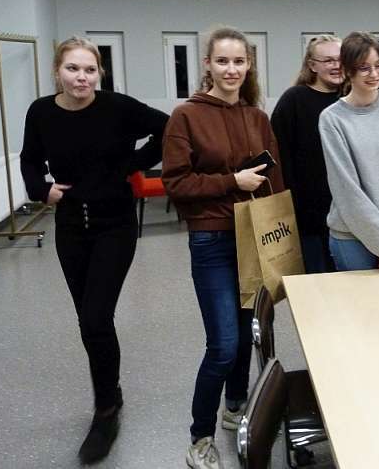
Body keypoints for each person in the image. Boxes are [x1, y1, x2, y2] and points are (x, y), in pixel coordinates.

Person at [20, 36, 168, 464]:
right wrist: (41, 190)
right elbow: (30, 159)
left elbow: (168, 128)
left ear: (99, 73)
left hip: (114, 226)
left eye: (89, 70)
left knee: (96, 317)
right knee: (89, 322)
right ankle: (111, 393)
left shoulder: (117, 107)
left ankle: (105, 411)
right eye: (73, 69)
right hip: (70, 228)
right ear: (57, 72)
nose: (81, 77)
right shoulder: (41, 112)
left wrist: (132, 165)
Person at [162, 27, 284, 469]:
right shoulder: (186, 116)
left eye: (239, 61)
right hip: (211, 238)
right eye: (222, 61)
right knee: (223, 344)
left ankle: (235, 407)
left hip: (254, 237)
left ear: (249, 65)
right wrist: (233, 181)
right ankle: (200, 437)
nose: (231, 69)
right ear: (208, 65)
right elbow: (176, 183)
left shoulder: (257, 118)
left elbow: (275, 181)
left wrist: (279, 233)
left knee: (247, 331)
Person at [319, 31, 379, 271]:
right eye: (364, 68)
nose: (374, 74)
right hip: (351, 237)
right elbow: (347, 191)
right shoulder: (332, 119)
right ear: (347, 70)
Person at [271, 35, 342, 272]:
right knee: (315, 280)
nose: (337, 65)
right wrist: (291, 207)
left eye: (341, 59)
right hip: (307, 215)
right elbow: (280, 156)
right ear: (312, 65)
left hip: (347, 213)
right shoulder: (294, 100)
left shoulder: (352, 99)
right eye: (328, 60)